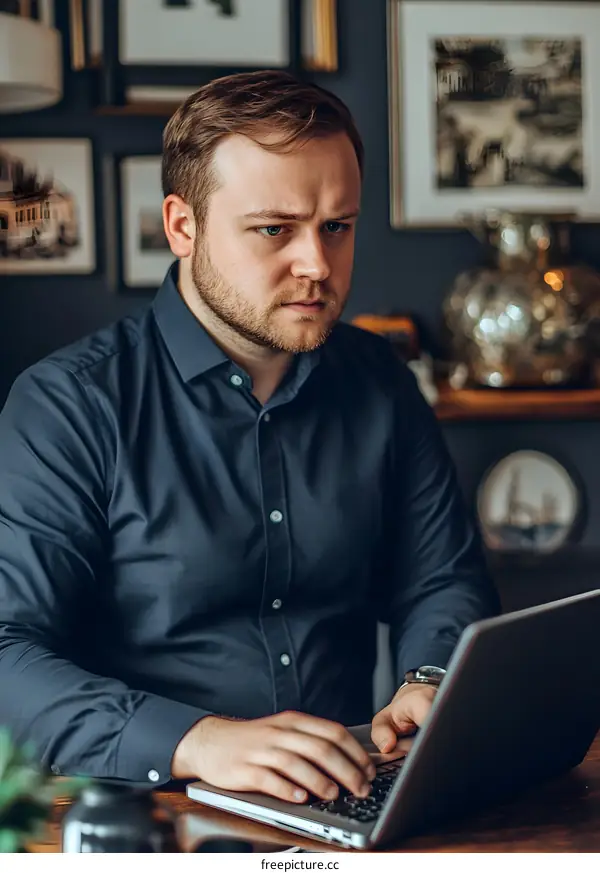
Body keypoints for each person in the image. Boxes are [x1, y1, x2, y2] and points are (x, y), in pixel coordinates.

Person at [0, 70, 499, 806]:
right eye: (275, 229)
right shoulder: (69, 404)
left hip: (352, 795)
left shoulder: (379, 381)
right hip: (148, 811)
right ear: (182, 226)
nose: (317, 266)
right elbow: (9, 652)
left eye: (337, 226)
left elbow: (442, 581)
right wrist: (197, 740)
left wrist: (427, 680)